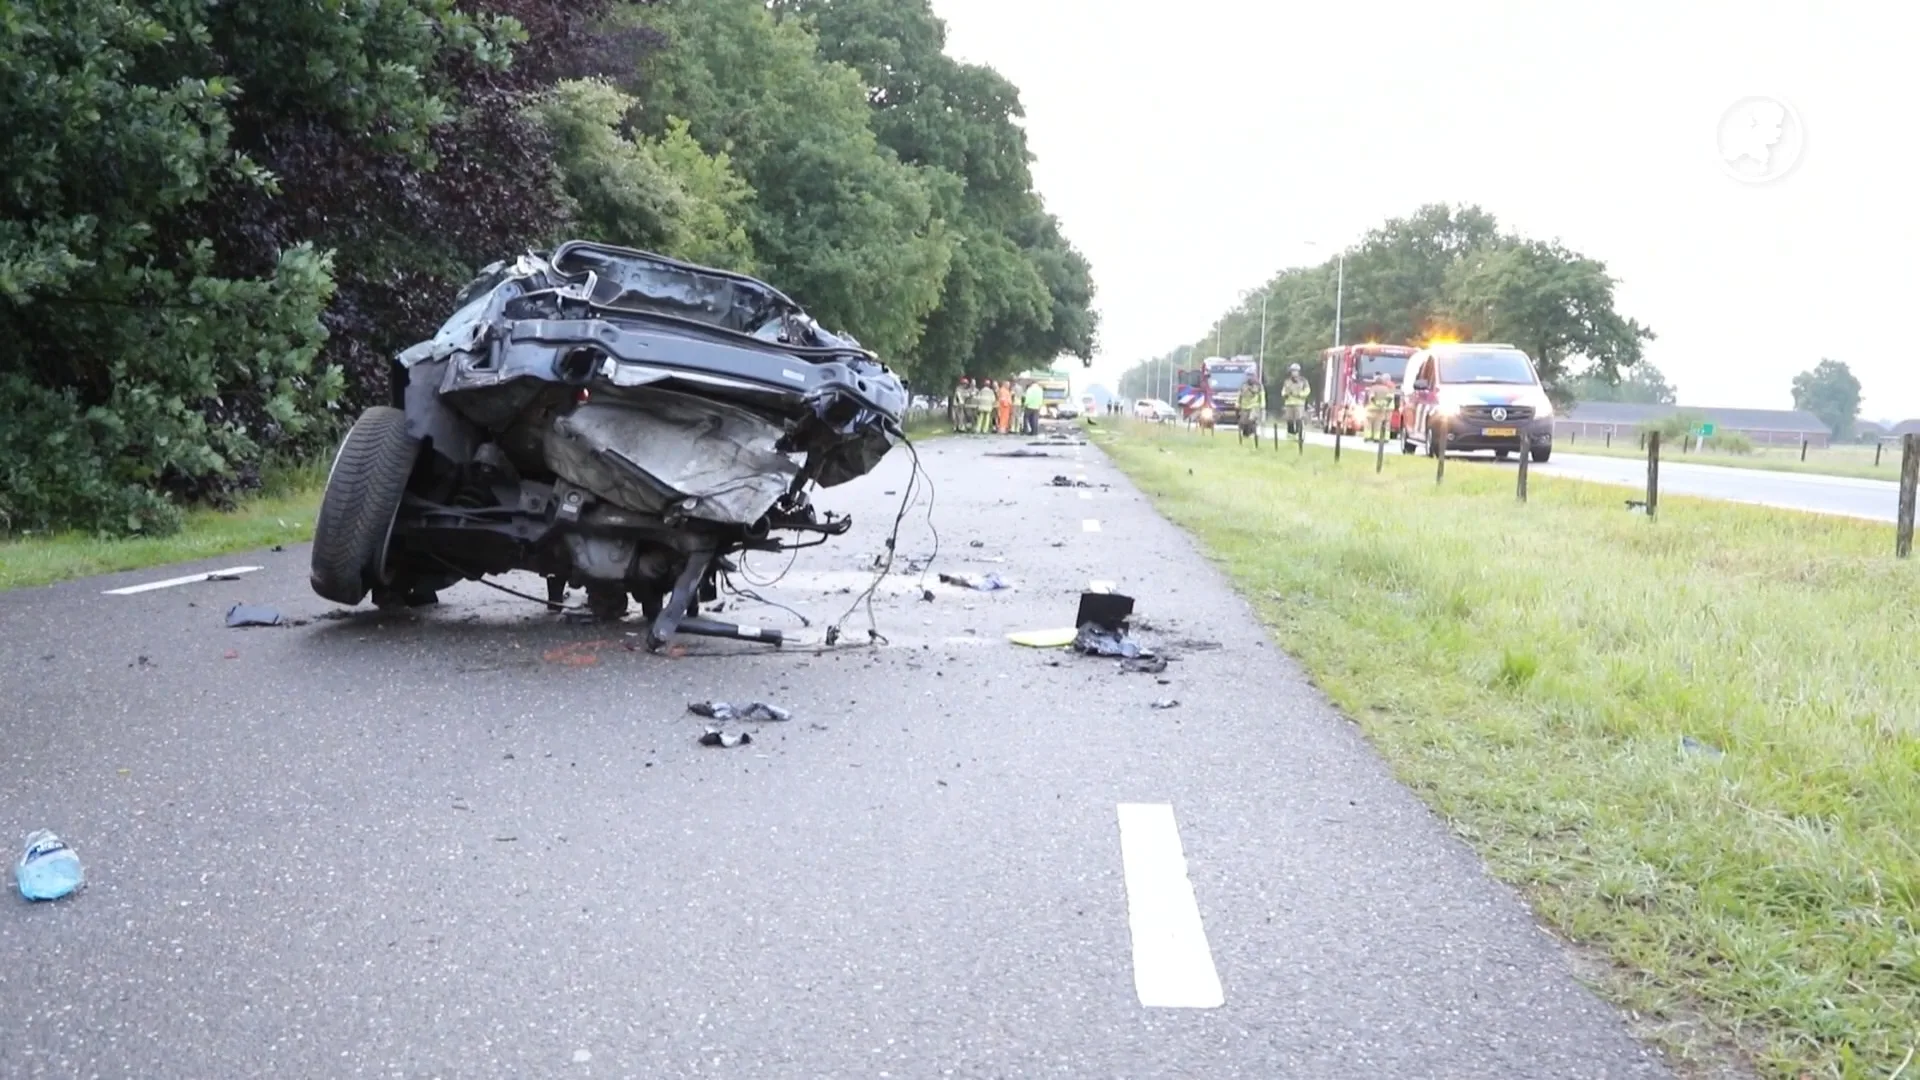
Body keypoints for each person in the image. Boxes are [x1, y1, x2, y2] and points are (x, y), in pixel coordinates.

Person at [1280, 364, 1312, 436]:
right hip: (1289, 403)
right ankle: (1290, 433)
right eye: (1292, 371)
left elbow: (1307, 390)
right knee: (1289, 419)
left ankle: (1298, 433)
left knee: (1298, 419)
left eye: (1295, 371)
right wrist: (1285, 394)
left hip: (1299, 403)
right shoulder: (1287, 381)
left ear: (1298, 372)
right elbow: (1283, 391)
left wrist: (1299, 394)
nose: (1294, 373)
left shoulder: (1303, 381)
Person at [1365, 372, 1396, 443]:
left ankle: (1368, 436)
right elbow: (1390, 397)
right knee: (1381, 423)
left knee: (1369, 423)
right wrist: (1384, 404)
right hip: (1385, 407)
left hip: (1373, 408)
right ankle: (1381, 437)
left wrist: (1377, 403)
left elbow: (1371, 397)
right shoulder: (1389, 387)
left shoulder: (1373, 388)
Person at [1237, 376, 1265, 442]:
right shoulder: (1243, 386)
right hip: (1244, 406)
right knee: (1244, 422)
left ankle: (1253, 433)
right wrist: (1238, 403)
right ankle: (1246, 434)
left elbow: (1262, 395)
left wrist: (1262, 404)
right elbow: (1240, 395)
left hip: (1254, 406)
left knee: (1252, 419)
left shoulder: (1258, 386)